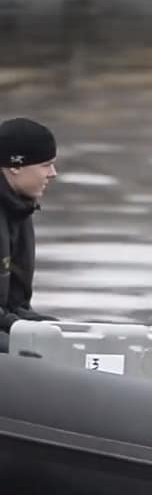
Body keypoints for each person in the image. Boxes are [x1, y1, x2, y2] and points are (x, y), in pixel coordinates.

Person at [0, 117, 59, 350]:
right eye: (46, 165)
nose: (53, 173)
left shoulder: (18, 209)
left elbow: (15, 307)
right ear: (15, 166)